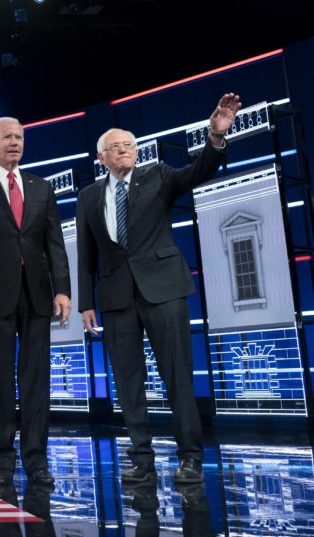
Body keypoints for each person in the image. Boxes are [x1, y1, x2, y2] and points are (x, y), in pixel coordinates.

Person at [77, 93, 241, 485]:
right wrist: (86, 303)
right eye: (115, 148)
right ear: (101, 157)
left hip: (163, 291)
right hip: (116, 299)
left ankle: (190, 457)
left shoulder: (159, 175)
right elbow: (86, 254)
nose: (124, 152)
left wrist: (215, 138)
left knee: (177, 376)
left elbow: (198, 171)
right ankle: (141, 457)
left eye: (129, 146)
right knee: (127, 381)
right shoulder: (87, 197)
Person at [0, 116, 71, 487]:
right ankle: (3, 458)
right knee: (0, 380)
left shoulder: (41, 187)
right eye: (7, 137)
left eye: (20, 137)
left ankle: (37, 459)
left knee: (36, 379)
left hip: (36, 295)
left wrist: (63, 289)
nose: (15, 142)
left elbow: (54, 244)